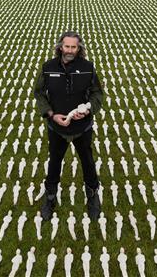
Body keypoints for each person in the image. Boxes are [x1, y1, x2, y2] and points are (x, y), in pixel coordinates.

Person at [33, 31, 104, 221]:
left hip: (82, 127)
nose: (70, 51)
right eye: (67, 46)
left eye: (74, 47)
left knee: (87, 160)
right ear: (60, 47)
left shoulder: (88, 68)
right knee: (55, 161)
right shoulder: (48, 68)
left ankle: (92, 195)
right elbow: (38, 93)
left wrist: (88, 110)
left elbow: (97, 94)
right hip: (57, 127)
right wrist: (51, 114)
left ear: (79, 48)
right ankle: (50, 197)